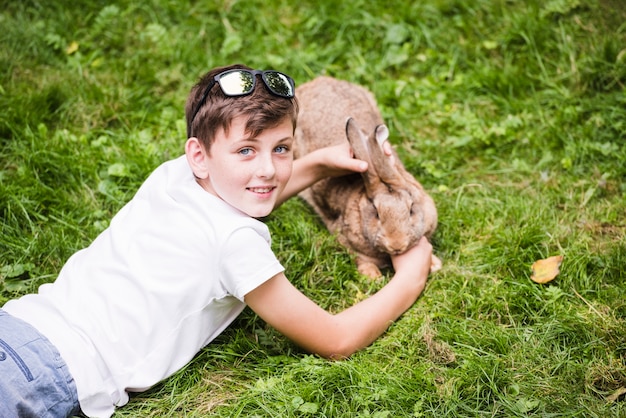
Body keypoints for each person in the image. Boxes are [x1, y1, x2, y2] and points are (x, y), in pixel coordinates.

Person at [0, 64, 434, 417]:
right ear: (200, 156)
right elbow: (335, 339)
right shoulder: (235, 245)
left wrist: (318, 162)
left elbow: (242, 193)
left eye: (282, 148)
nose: (267, 169)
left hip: (20, 324)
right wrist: (408, 279)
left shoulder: (175, 175)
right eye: (247, 150)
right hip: (50, 372)